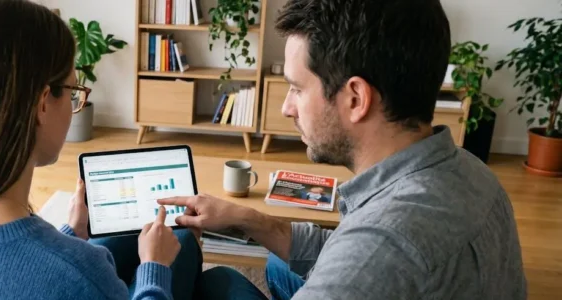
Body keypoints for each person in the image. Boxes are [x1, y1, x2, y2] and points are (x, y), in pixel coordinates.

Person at [160, 0, 527, 299]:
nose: (287, 108)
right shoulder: (471, 170)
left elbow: (365, 255)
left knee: (218, 285)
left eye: (297, 88)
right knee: (276, 263)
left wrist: (154, 275)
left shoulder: (380, 248)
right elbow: (345, 247)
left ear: (356, 98)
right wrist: (246, 218)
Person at [0, 0, 203, 299]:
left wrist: (70, 233)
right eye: (73, 90)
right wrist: (154, 268)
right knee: (187, 247)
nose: (76, 103)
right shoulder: (80, 274)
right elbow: (49, 274)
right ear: (42, 104)